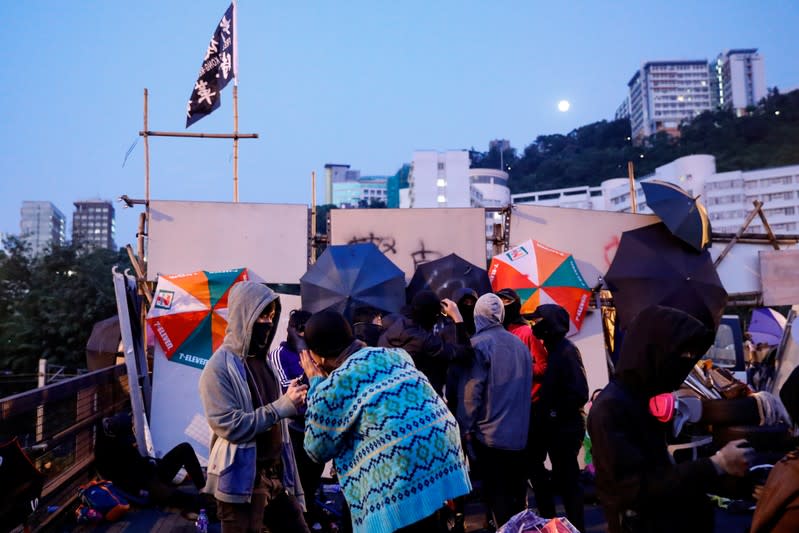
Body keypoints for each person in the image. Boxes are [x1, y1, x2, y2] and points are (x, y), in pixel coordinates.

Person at [300, 309, 472, 533]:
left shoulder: (335, 385)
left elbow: (316, 448)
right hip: (440, 461)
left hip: (397, 486)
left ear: (319, 356)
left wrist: (315, 383)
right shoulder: (396, 355)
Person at [587, 305, 755, 533]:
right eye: (681, 355)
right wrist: (716, 464)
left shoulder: (638, 397)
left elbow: (658, 471)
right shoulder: (612, 408)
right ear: (653, 351)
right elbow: (634, 490)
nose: (684, 364)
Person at [198, 281, 310, 533]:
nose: (268, 323)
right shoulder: (218, 368)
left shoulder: (264, 362)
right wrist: (281, 407)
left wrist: (291, 398)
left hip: (275, 476)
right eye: (261, 316)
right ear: (243, 315)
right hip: (240, 480)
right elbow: (230, 426)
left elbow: (274, 412)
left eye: (271, 316)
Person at [458, 293, 532, 529]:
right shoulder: (519, 345)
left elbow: (471, 392)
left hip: (490, 435)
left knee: (497, 496)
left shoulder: (478, 345)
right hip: (519, 435)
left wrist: (466, 427)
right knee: (518, 498)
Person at [525, 304, 588, 532]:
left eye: (538, 321)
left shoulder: (566, 351)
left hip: (566, 428)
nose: (534, 325)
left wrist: (554, 412)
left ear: (550, 324)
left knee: (569, 481)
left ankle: (575, 527)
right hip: (556, 427)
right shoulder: (554, 350)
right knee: (555, 477)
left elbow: (580, 392)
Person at [268, 309, 326, 527]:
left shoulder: (315, 353)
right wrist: (307, 373)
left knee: (311, 481)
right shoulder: (279, 355)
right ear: (297, 331)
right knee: (295, 482)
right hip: (294, 430)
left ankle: (310, 518)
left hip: (316, 427)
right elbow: (289, 393)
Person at [94, 411, 207, 514]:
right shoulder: (107, 455)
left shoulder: (117, 439)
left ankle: (202, 489)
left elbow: (139, 463)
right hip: (144, 487)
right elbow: (129, 481)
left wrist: (153, 462)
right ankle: (203, 505)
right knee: (186, 499)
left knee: (184, 448)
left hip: (151, 473)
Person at [378, 290, 471, 395]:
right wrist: (457, 317)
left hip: (391, 395)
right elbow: (466, 353)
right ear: (432, 316)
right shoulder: (423, 341)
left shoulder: (393, 328)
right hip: (420, 398)